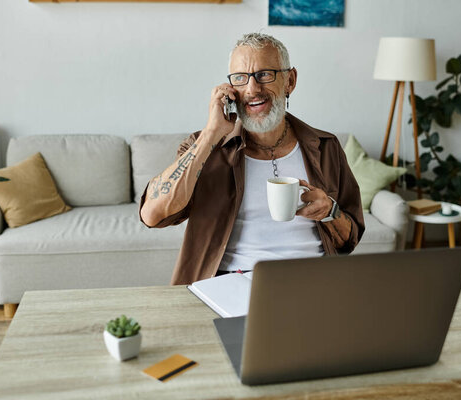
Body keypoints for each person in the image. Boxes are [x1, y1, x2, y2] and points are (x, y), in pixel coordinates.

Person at [140, 33, 365, 285]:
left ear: (289, 81)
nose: (252, 89)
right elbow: (152, 215)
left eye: (264, 75)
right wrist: (211, 134)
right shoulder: (205, 147)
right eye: (240, 78)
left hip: (312, 278)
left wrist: (329, 211)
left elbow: (350, 240)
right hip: (231, 282)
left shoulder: (326, 147)